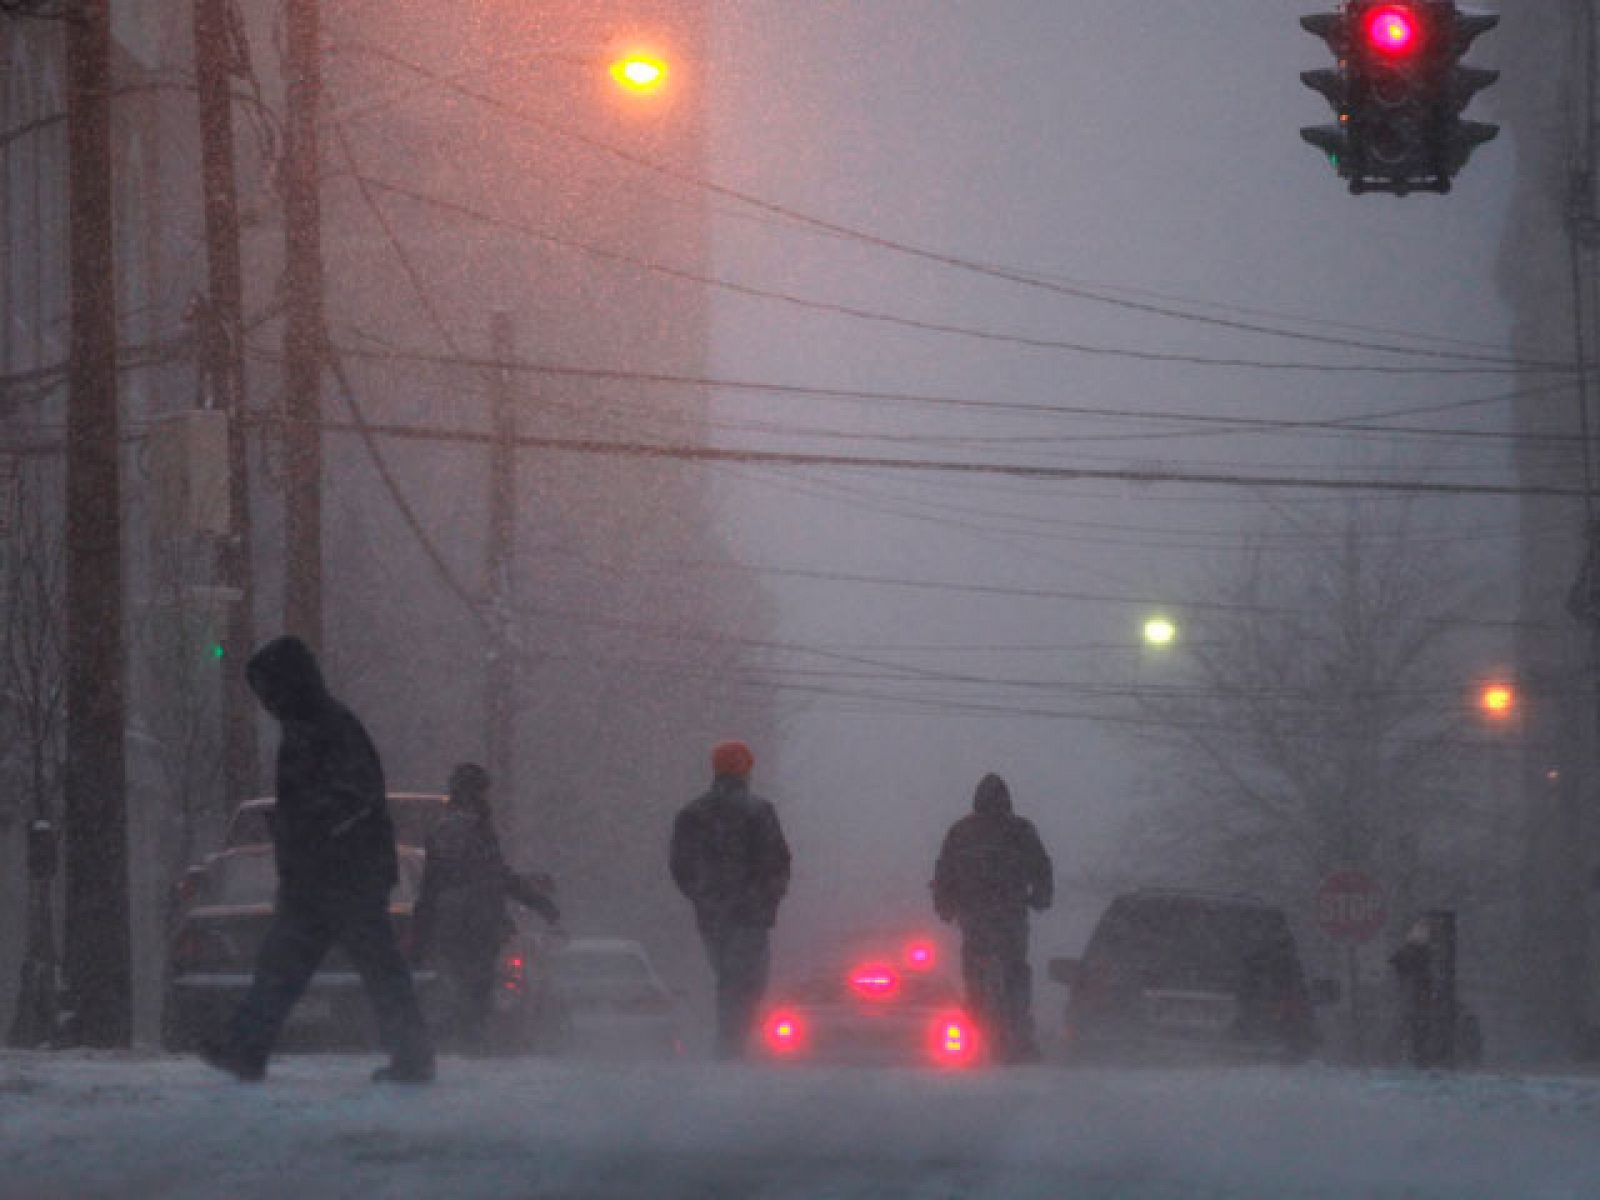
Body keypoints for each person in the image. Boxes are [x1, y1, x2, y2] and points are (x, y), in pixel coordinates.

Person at [200, 635, 435, 1083]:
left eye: (267, 688)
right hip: (332, 874)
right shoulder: (317, 726)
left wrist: (310, 831)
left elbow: (352, 798)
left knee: (320, 965)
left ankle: (248, 1048)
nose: (265, 700)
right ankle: (248, 1048)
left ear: (287, 683)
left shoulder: (324, 728)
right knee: (311, 965)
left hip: (340, 874)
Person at [412, 762, 561, 1051]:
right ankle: (470, 1038)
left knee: (459, 984)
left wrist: (423, 925)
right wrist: (537, 902)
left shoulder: (444, 829)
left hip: (455, 922)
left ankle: (461, 1035)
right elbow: (495, 877)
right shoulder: (475, 829)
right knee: (475, 985)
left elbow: (431, 884)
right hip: (477, 922)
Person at [669, 740, 791, 1059]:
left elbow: (680, 866)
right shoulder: (759, 812)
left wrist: (703, 898)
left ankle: (731, 1042)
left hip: (713, 916)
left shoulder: (692, 814)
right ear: (747, 770)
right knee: (748, 980)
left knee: (728, 975)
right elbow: (777, 862)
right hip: (751, 916)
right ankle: (732, 1044)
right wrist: (766, 900)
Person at [931, 773, 1053, 1064]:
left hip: (974, 915)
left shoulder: (961, 831)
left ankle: (976, 1030)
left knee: (975, 972)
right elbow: (1041, 867)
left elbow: (944, 872)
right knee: (1015, 973)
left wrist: (945, 906)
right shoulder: (1020, 830)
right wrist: (1040, 897)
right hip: (1010, 913)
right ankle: (1020, 1037)